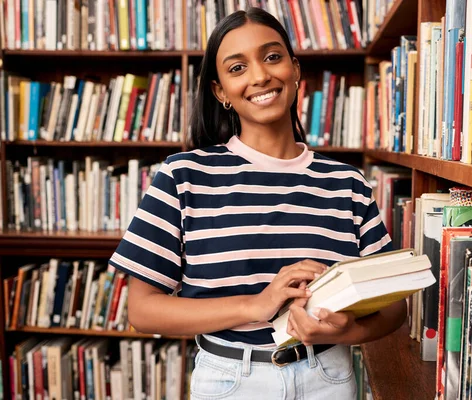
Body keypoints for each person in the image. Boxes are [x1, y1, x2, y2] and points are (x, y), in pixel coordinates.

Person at [108, 7, 407, 399]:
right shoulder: (183, 176)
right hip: (231, 379)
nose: (260, 76)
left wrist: (344, 330)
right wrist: (258, 304)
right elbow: (143, 311)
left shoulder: (345, 182)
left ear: (295, 69)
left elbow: (393, 307)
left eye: (272, 57)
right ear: (220, 92)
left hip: (330, 375)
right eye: (237, 68)